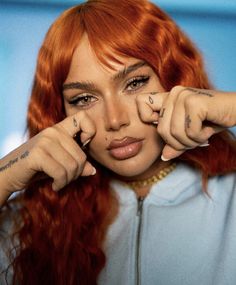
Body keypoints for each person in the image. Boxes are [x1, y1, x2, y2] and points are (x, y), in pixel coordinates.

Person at [0, 0, 236, 284]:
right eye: (84, 99)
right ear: (60, 113)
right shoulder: (34, 221)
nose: (115, 120)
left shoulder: (230, 195)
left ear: (173, 78)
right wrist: (6, 177)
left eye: (135, 83)